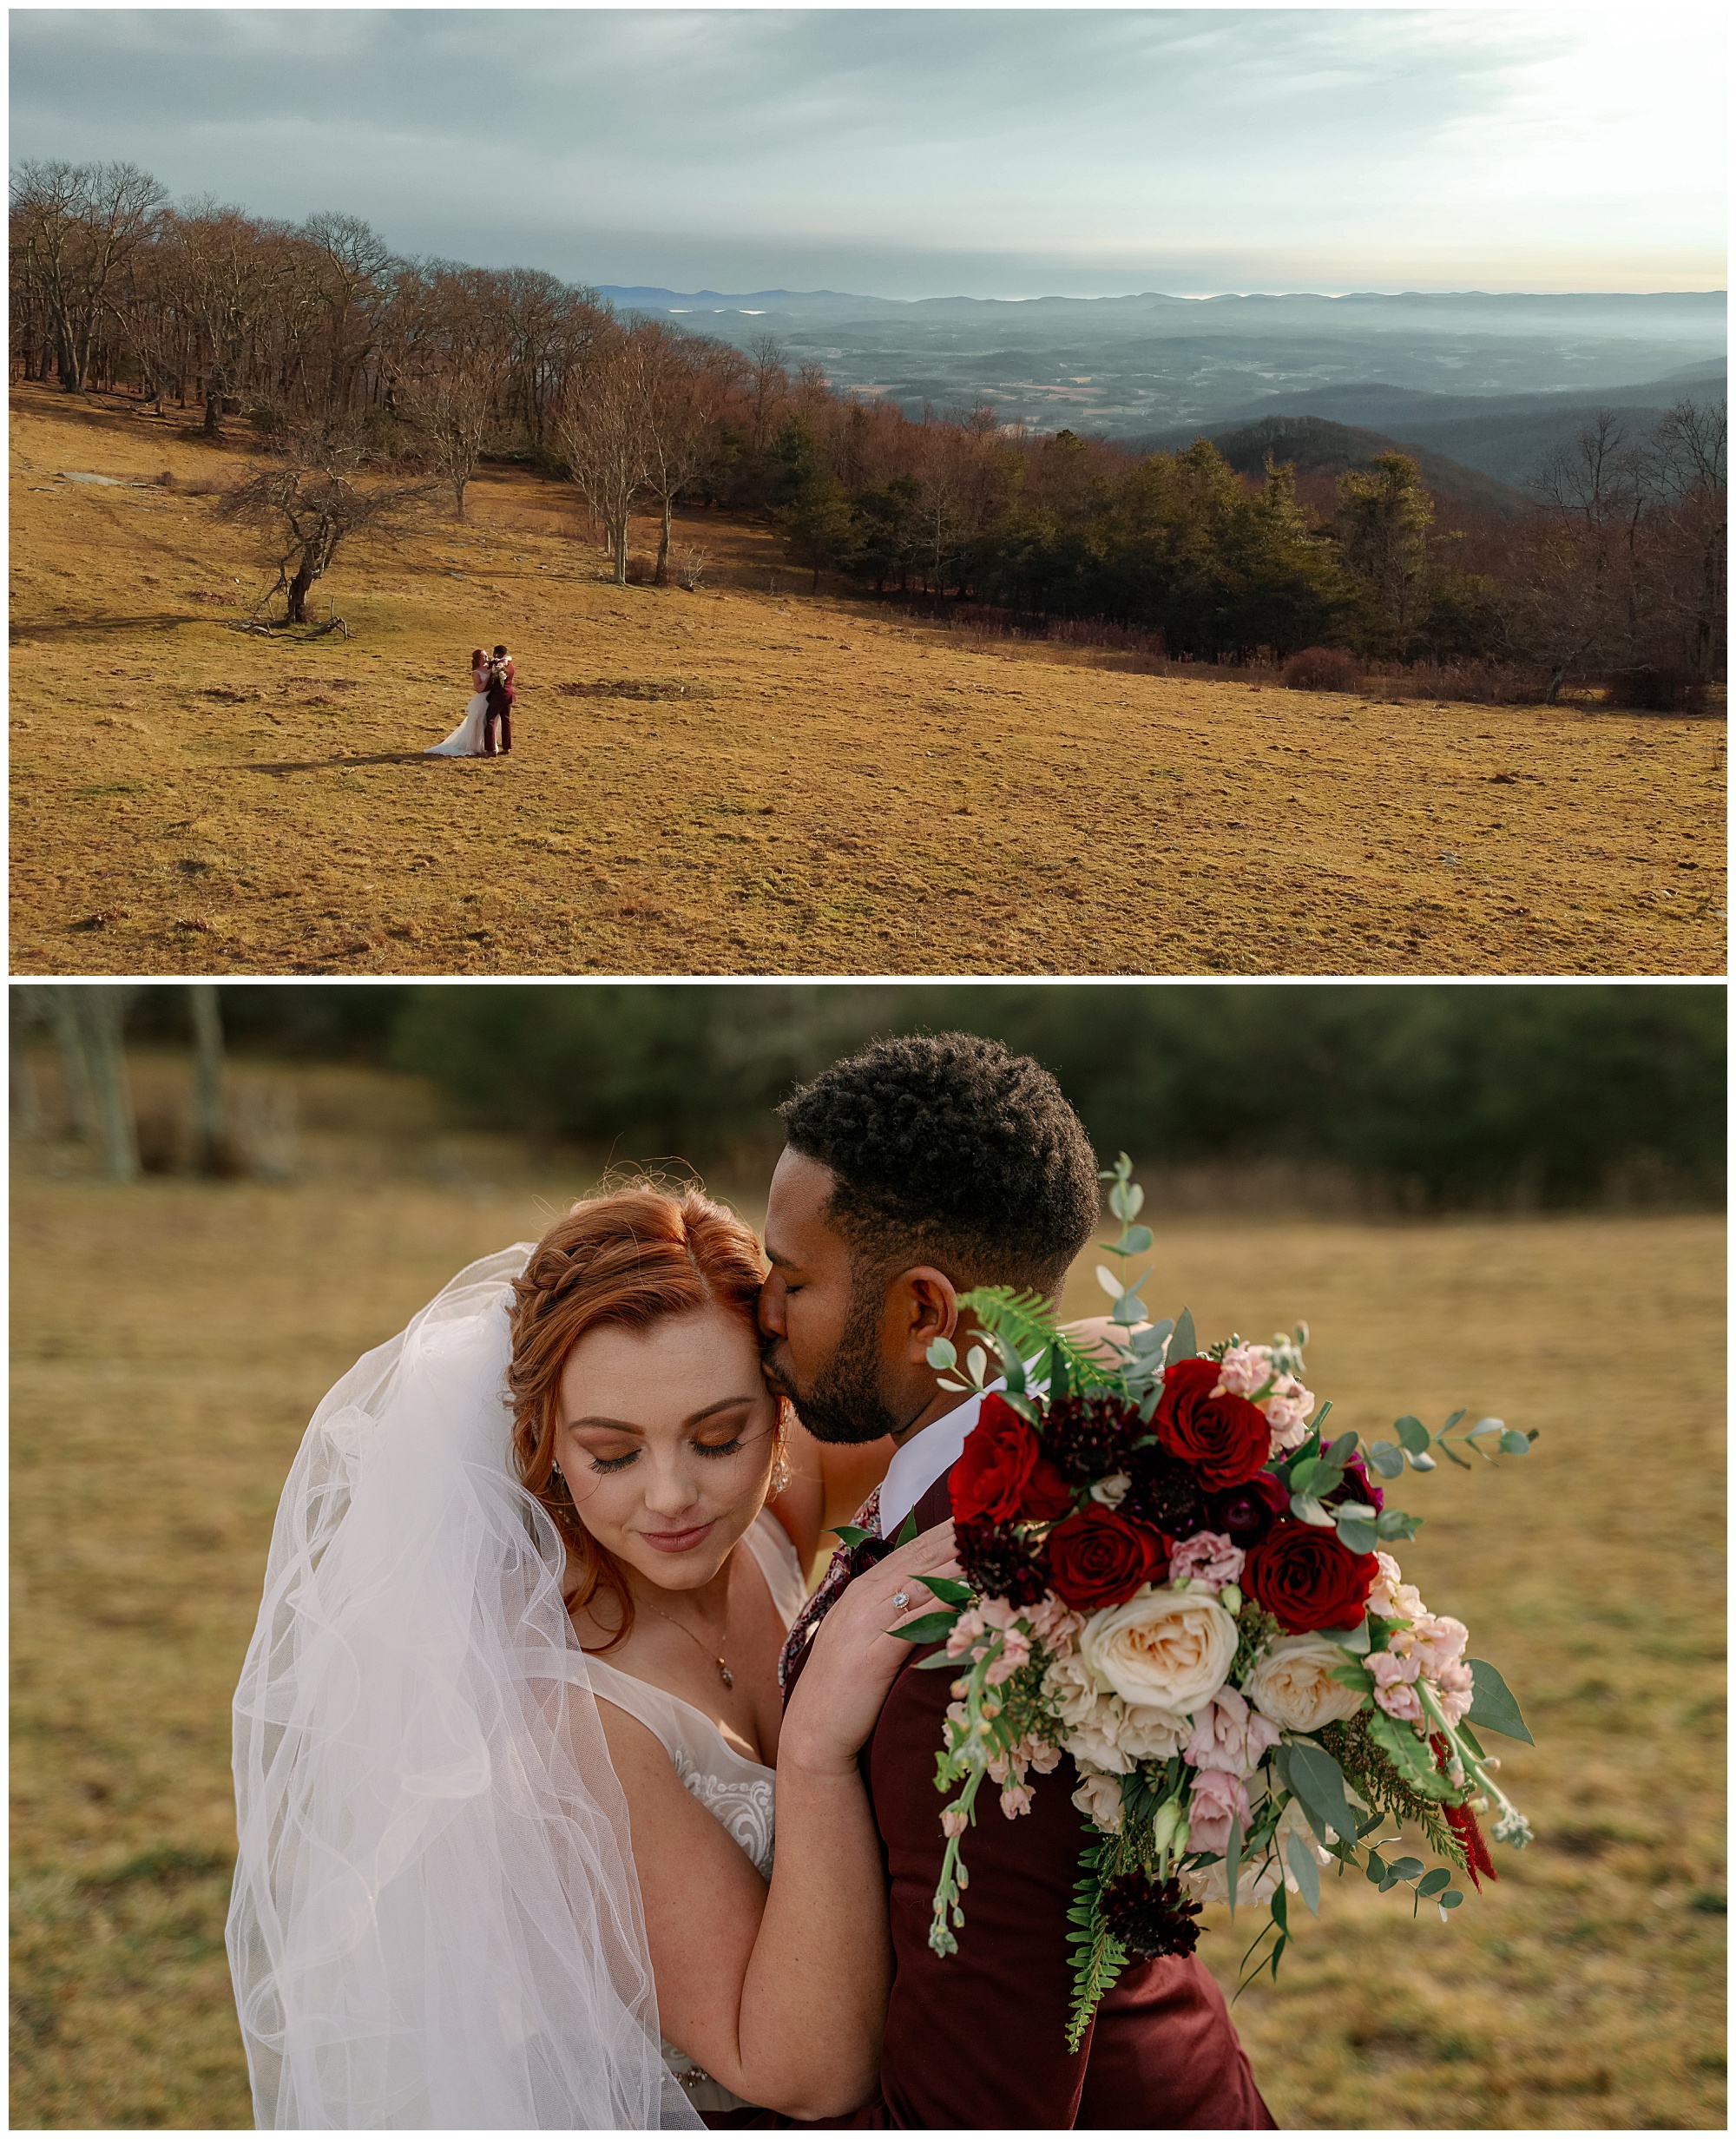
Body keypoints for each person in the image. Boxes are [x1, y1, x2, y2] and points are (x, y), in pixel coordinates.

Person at [227, 1181, 956, 2129]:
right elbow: (795, 2072)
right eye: (613, 1454)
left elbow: (968, 1397)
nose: (672, 1496)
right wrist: (814, 1748)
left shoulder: (769, 1516)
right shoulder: (564, 1714)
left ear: (782, 1411)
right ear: (546, 1447)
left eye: (718, 1435)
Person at [760, 1033, 1275, 2129]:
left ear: (924, 1313)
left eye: (791, 1279)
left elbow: (974, 2108)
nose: (761, 1310)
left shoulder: (987, 1642)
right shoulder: (1040, 1457)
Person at [424, 648, 491, 756]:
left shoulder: (490, 668)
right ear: (478, 659)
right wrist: (488, 679)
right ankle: (474, 745)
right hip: (482, 699)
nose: (486, 657)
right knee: (477, 720)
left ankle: (486, 744)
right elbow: (478, 689)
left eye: (486, 655)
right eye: (483, 656)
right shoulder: (476, 673)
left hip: (491, 698)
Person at [482, 642, 516, 756]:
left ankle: (490, 749)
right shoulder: (510, 665)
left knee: (489, 719)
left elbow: (492, 680)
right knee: (506, 720)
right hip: (509, 694)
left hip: (499, 695)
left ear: (496, 653)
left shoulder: (498, 666)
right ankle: (506, 747)